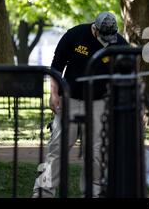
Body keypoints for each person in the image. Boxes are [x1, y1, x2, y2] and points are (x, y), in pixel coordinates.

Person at [32, 12, 128, 198]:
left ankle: (94, 192)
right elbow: (56, 68)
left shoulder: (120, 43)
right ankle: (43, 191)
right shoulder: (75, 35)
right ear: (95, 28)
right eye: (103, 36)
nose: (107, 41)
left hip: (100, 103)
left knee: (97, 153)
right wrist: (53, 94)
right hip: (70, 100)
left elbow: (125, 76)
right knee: (56, 150)